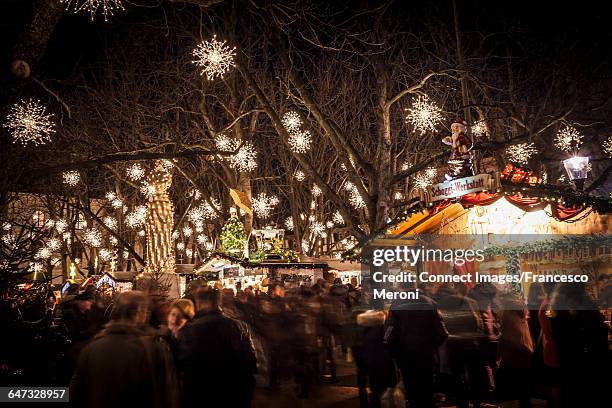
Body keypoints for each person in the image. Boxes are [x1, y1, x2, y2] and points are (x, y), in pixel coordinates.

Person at [70, 291, 179, 408]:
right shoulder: (153, 348)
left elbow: (76, 394)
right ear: (139, 313)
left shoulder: (92, 348)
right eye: (145, 311)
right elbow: (167, 394)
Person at [178, 288, 257, 408]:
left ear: (199, 303)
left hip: (202, 391)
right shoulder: (239, 326)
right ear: (218, 302)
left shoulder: (190, 329)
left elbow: (184, 361)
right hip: (234, 390)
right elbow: (251, 359)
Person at [384, 283, 448, 408]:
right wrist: (432, 347)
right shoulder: (430, 302)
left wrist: (393, 351)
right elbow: (442, 332)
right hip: (426, 353)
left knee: (411, 386)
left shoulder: (397, 304)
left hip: (406, 354)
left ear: (401, 288)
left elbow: (390, 332)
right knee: (427, 385)